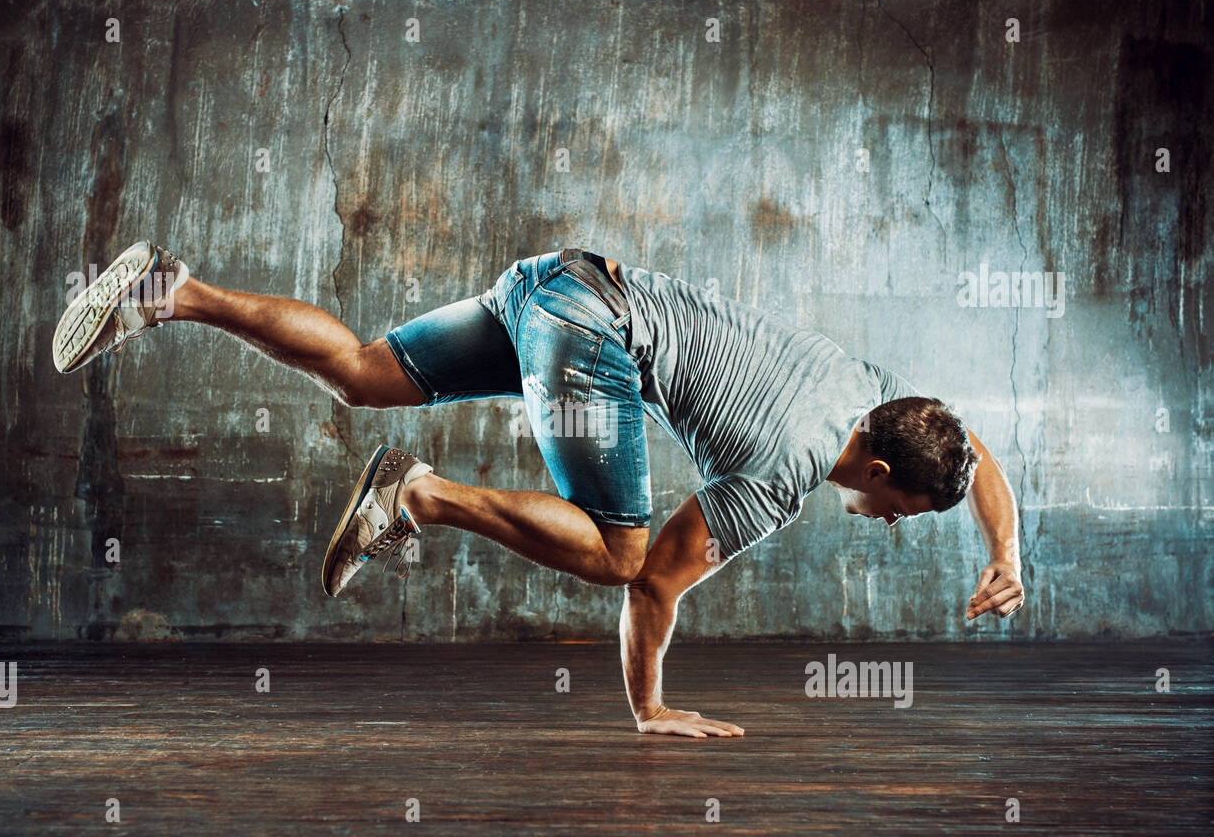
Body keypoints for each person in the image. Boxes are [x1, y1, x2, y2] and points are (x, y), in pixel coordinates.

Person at [54, 241, 1025, 738]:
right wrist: (650, 707)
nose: (893, 526)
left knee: (359, 369)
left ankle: (172, 292)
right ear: (886, 477)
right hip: (592, 334)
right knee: (625, 547)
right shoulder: (785, 472)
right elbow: (652, 586)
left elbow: (970, 452)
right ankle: (418, 494)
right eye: (902, 513)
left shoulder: (871, 390)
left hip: (552, 279)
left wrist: (1004, 551)